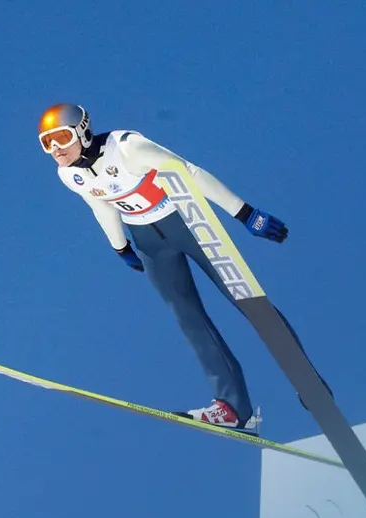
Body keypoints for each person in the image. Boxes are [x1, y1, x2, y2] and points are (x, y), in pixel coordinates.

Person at [37, 103, 290, 435]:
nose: (56, 149)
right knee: (188, 317)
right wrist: (120, 246)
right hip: (148, 240)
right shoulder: (70, 173)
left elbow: (190, 172)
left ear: (82, 131)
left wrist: (244, 213)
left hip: (186, 221)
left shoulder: (127, 148)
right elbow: (98, 203)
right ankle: (232, 408)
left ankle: (303, 376)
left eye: (61, 138)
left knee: (243, 297)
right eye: (47, 142)